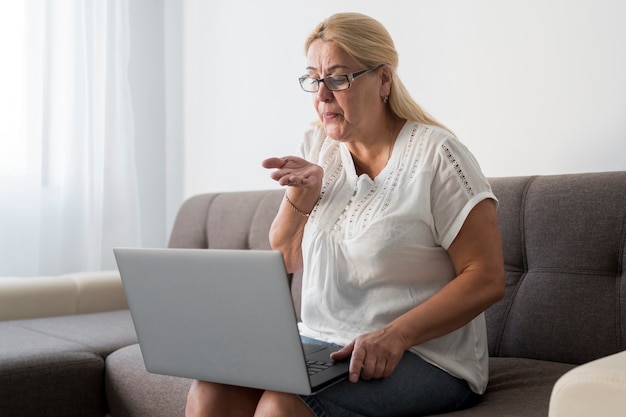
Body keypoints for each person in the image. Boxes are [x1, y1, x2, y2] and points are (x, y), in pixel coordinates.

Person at [186, 12, 505, 417]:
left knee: (280, 407)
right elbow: (286, 256)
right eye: (314, 80)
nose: (322, 96)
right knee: (212, 389)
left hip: (425, 356)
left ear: (383, 80)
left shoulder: (438, 156)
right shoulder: (318, 147)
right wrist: (306, 193)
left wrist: (394, 335)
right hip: (321, 342)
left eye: (338, 78)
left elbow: (487, 277)